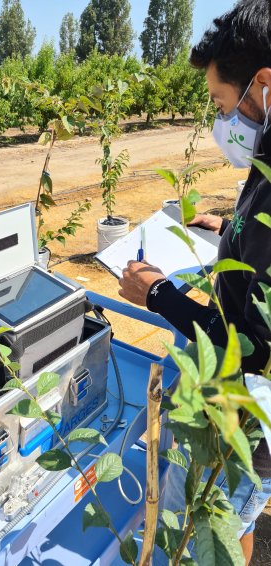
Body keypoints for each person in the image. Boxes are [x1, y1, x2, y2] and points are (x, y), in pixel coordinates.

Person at [118, 1, 271, 562]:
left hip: (242, 425)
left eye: (220, 103)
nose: (220, 120)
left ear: (264, 85)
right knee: (241, 519)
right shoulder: (267, 162)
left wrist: (159, 294)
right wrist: (229, 226)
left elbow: (253, 348)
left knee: (202, 527)